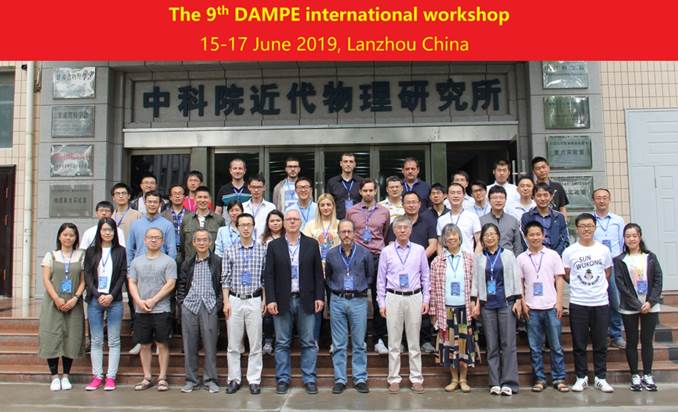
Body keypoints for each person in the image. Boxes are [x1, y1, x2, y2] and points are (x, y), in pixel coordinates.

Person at [264, 209, 325, 395]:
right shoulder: (274, 246)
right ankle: (282, 379)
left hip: (306, 299)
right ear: (284, 223)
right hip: (282, 300)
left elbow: (318, 274)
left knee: (308, 341)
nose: (292, 222)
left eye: (295, 219)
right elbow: (269, 275)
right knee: (282, 342)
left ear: (300, 222)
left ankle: (310, 379)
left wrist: (319, 297)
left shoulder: (311, 244)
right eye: (289, 219)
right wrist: (270, 299)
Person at [377, 215, 430, 394]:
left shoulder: (419, 250)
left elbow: (425, 276)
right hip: (393, 297)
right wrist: (381, 302)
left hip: (414, 296)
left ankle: (416, 378)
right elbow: (380, 280)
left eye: (405, 227)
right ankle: (394, 378)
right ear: (394, 230)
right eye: (398, 227)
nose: (402, 230)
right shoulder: (386, 251)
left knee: (414, 342)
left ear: (410, 230)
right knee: (394, 342)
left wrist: (426, 299)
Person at [562, 213, 614, 393]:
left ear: (594, 227)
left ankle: (601, 377)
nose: (586, 229)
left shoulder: (603, 250)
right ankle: (581, 377)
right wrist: (580, 285)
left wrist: (595, 287)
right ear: (577, 229)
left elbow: (607, 272)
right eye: (582, 226)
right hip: (578, 302)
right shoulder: (569, 251)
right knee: (579, 343)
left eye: (590, 226)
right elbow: (566, 274)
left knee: (600, 343)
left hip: (600, 302)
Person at [517, 221, 569, 393]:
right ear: (526, 237)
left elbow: (559, 279)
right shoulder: (521, 258)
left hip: (551, 306)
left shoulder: (553, 255)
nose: (535, 237)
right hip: (531, 308)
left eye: (538, 234)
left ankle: (559, 378)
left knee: (556, 346)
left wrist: (559, 302)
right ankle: (539, 379)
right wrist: (523, 302)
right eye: (531, 235)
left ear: (543, 235)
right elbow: (520, 282)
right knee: (535, 347)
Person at [471, 223, 522, 396]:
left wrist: (518, 299)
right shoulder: (479, 258)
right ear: (482, 239)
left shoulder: (508, 255)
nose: (490, 237)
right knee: (492, 345)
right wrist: (474, 301)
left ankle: (509, 382)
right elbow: (475, 281)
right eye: (486, 235)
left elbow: (516, 277)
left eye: (493, 234)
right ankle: (494, 382)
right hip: (487, 306)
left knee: (508, 344)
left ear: (498, 236)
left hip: (506, 303)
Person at [324, 220, 373, 394]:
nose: (346, 235)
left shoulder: (365, 253)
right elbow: (328, 277)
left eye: (349, 231)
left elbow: (370, 276)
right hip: (337, 300)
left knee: (359, 342)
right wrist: (336, 289)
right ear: (338, 233)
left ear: (354, 233)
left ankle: (360, 378)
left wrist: (360, 287)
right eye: (343, 231)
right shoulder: (331, 254)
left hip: (358, 301)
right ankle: (340, 379)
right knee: (339, 344)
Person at [385, 191, 437, 354]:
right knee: (399, 313)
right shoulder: (397, 223)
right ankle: (400, 342)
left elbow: (433, 244)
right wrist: (405, 262)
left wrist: (417, 259)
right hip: (398, 273)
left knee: (421, 307)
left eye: (414, 202)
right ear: (403, 204)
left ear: (420, 204)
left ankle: (425, 340)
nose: (411, 205)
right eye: (408, 202)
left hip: (421, 268)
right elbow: (391, 246)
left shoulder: (427, 222)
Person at [614, 223, 663, 391]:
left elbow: (658, 280)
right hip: (629, 307)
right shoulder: (620, 260)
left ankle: (648, 374)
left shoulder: (650, 257)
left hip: (650, 305)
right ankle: (635, 375)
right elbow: (621, 285)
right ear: (624, 239)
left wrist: (650, 302)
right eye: (628, 236)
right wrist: (638, 304)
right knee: (632, 341)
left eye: (634, 235)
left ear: (640, 237)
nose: (631, 239)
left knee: (647, 341)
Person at [222, 214, 268, 395]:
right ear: (237, 227)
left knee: (255, 343)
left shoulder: (262, 250)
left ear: (254, 226)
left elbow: (265, 278)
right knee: (233, 343)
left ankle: (254, 379)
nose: (246, 228)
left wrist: (264, 299)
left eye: (249, 225)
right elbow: (225, 278)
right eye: (242, 225)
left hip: (254, 299)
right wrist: (226, 301)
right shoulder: (230, 250)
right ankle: (234, 379)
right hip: (234, 299)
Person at [128, 227, 177, 392]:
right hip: (141, 309)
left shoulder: (169, 261)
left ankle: (162, 377)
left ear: (162, 241)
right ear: (145, 240)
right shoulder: (136, 262)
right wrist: (139, 301)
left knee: (162, 344)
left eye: (157, 237)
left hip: (161, 309)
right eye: (150, 237)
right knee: (144, 344)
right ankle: (147, 377)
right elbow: (132, 282)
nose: (154, 240)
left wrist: (153, 300)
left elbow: (171, 283)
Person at [429, 224, 477, 393]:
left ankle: (463, 379)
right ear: (443, 240)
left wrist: (475, 303)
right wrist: (433, 312)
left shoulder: (469, 259)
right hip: (446, 310)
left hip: (465, 309)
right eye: (448, 236)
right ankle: (454, 378)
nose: (451, 238)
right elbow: (433, 288)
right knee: (449, 346)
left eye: (454, 235)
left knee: (464, 346)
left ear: (459, 237)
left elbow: (475, 284)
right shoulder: (437, 261)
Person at [39, 223, 85, 391]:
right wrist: (56, 298)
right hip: (53, 303)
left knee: (71, 337)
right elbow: (46, 280)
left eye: (71, 235)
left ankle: (66, 376)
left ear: (76, 238)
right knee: (51, 337)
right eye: (65, 234)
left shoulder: (81, 255)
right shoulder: (51, 255)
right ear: (59, 236)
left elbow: (83, 281)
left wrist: (75, 298)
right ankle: (54, 376)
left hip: (74, 303)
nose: (68, 238)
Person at [346, 179, 390, 354]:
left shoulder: (384, 211)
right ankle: (361, 339)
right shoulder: (352, 211)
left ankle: (379, 339)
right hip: (358, 258)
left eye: (371, 190)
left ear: (376, 191)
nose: (368, 193)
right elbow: (349, 232)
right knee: (359, 299)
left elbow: (385, 233)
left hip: (378, 257)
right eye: (365, 190)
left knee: (380, 298)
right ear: (360, 192)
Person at [83, 218, 127, 391]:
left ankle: (111, 377)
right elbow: (87, 275)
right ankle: (97, 376)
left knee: (114, 340)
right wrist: (97, 294)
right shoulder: (91, 251)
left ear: (115, 232)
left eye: (110, 230)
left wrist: (111, 295)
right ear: (99, 231)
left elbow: (123, 274)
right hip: (95, 299)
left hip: (114, 300)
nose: (107, 233)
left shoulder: (120, 251)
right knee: (96, 340)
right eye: (104, 230)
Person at [176, 229, 222, 394]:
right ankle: (191, 380)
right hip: (190, 306)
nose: (202, 243)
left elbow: (222, 284)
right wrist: (182, 303)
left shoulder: (217, 262)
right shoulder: (187, 263)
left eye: (205, 240)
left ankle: (211, 380)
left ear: (210, 242)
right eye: (198, 240)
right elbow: (181, 285)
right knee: (189, 346)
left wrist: (218, 304)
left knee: (210, 346)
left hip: (209, 306)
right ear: (193, 243)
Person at [592, 188, 627, 349]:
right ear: (593, 200)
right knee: (598, 300)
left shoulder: (618, 220)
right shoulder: (590, 220)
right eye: (598, 198)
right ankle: (602, 334)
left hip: (614, 263)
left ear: (609, 200)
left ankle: (616, 334)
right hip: (595, 264)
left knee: (615, 300)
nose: (601, 201)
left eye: (605, 198)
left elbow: (622, 242)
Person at [260, 210, 285, 355]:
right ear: (268, 223)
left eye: (278, 220)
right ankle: (268, 340)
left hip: (283, 278)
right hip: (267, 276)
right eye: (272, 221)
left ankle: (280, 340)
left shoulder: (287, 237)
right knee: (268, 312)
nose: (275, 223)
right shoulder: (262, 239)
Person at [179, 186, 225, 263]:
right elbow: (182, 245)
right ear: (195, 199)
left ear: (210, 199)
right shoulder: (186, 220)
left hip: (213, 264)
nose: (202, 200)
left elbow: (222, 245)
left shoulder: (219, 220)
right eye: (199, 197)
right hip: (190, 264)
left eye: (205, 197)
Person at [521, 183, 569, 256]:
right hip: (534, 256)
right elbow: (524, 240)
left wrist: (554, 255)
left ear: (551, 196)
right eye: (539, 195)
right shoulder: (527, 217)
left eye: (545, 195)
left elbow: (565, 240)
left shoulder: (559, 217)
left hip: (556, 256)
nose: (542, 199)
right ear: (533, 197)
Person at [437, 183, 481, 254]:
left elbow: (479, 241)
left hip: (468, 259)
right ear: (447, 196)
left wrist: (474, 258)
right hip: (447, 259)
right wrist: (441, 259)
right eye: (452, 193)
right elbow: (440, 244)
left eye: (459, 193)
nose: (456, 196)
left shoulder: (473, 217)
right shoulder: (441, 220)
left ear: (463, 196)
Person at [480, 186, 523, 256]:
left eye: (501, 198)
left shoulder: (513, 220)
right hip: (488, 259)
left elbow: (518, 246)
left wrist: (515, 259)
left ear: (505, 200)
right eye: (495, 198)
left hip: (509, 259)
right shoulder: (481, 221)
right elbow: (479, 244)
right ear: (489, 200)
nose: (498, 200)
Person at [326, 153, 363, 219]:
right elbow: (328, 202)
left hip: (358, 220)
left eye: (351, 162)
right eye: (345, 161)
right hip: (337, 220)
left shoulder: (361, 182)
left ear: (354, 164)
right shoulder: (332, 182)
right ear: (341, 163)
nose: (348, 164)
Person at [242, 174, 276, 240]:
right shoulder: (243, 207)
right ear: (249, 187)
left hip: (265, 242)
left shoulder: (271, 207)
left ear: (264, 188)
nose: (256, 190)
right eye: (253, 187)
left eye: (259, 187)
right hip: (246, 242)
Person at [162, 184, 187, 257]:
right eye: (175, 194)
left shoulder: (192, 215)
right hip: (167, 253)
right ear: (170, 197)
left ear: (184, 197)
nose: (177, 196)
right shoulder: (162, 216)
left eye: (180, 193)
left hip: (186, 253)